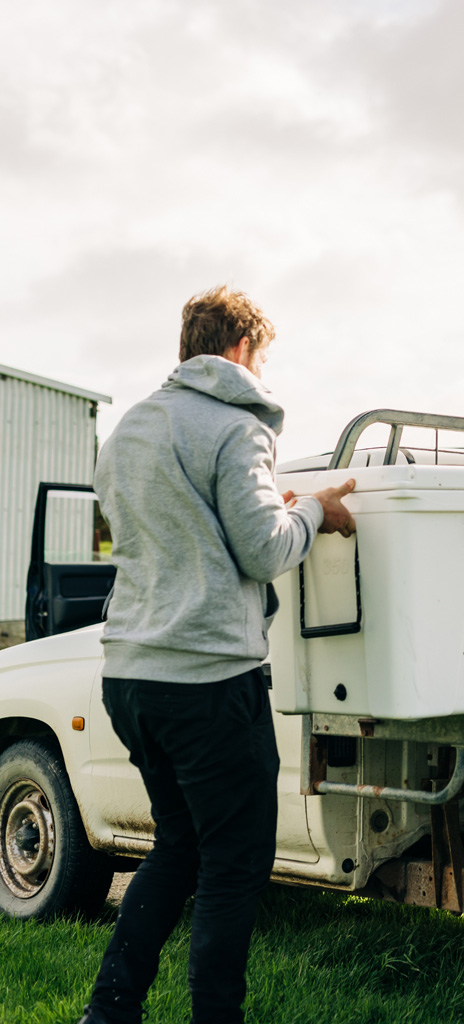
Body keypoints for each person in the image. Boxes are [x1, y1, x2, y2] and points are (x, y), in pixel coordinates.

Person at [79, 286, 356, 1024]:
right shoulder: (237, 427)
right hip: (207, 682)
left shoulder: (129, 429)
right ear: (240, 352)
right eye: (262, 357)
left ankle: (109, 1013)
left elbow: (155, 534)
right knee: (234, 865)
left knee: (177, 847)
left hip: (130, 675)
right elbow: (265, 550)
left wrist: (270, 500)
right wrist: (313, 510)